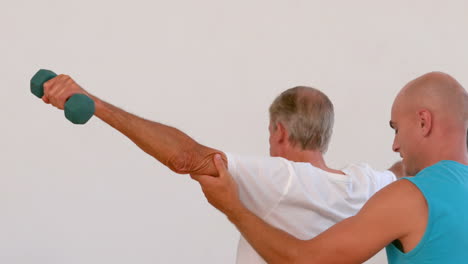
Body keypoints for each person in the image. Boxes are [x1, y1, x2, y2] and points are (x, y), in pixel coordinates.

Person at [42, 77, 401, 263]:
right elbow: (404, 167)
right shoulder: (370, 183)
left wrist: (95, 103)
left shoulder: (281, 178)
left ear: (279, 131)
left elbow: (187, 158)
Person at [192, 71, 468, 263]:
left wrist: (233, 208)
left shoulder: (409, 198)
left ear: (423, 122)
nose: (395, 145)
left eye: (396, 129)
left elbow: (303, 260)